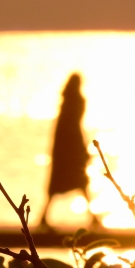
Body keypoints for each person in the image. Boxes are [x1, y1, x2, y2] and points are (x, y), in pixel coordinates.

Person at [40, 74, 97, 230]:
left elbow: (71, 128)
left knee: (76, 183)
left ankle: (44, 216)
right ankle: (93, 218)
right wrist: (82, 149)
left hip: (65, 148)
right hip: (69, 149)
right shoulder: (74, 102)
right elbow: (75, 128)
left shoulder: (66, 103)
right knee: (78, 182)